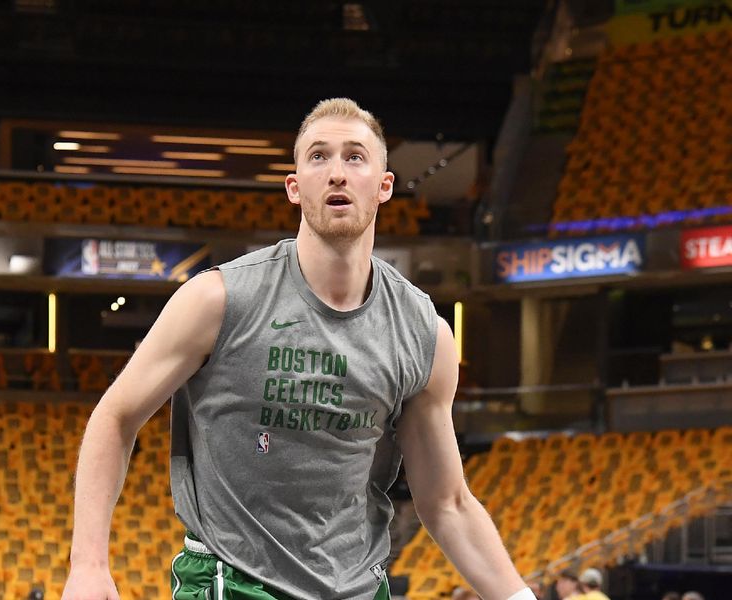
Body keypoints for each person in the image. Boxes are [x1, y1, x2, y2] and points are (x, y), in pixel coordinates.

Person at [61, 98, 535, 600]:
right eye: (317, 157)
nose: (336, 173)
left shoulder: (424, 334)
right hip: (233, 581)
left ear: (384, 185)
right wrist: (88, 565)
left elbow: (446, 503)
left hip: (358, 586)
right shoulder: (217, 300)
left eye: (355, 157)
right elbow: (115, 417)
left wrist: (519, 596)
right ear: (294, 187)